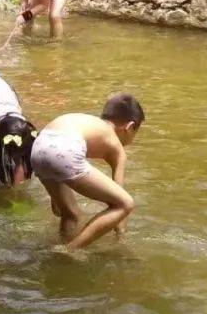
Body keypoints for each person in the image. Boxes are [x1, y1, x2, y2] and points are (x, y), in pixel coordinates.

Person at [31, 96, 143, 249]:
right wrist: (120, 236)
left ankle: (61, 246)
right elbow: (119, 197)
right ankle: (70, 250)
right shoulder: (116, 146)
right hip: (64, 151)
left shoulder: (87, 122)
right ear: (129, 127)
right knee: (126, 203)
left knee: (70, 213)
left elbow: (56, 151)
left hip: (38, 147)